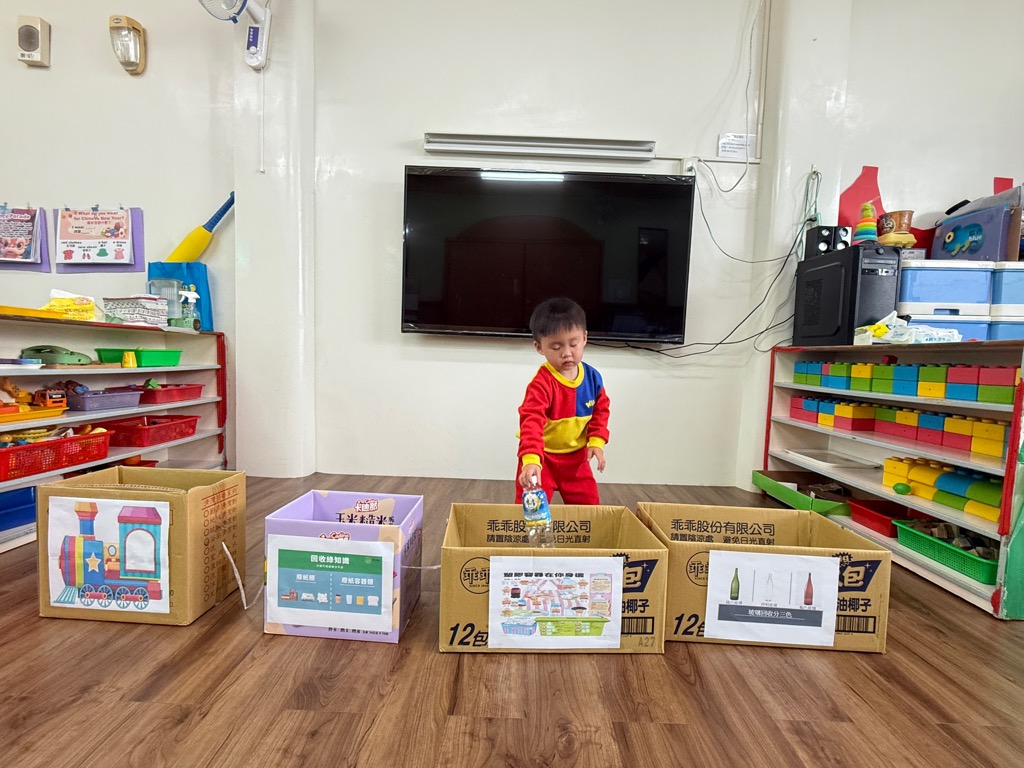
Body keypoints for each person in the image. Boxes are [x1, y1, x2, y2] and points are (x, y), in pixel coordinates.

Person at [516, 297, 610, 505]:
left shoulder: (593, 379)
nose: (567, 353)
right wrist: (531, 460)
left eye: (573, 344)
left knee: (589, 509)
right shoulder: (541, 384)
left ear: (584, 338)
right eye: (556, 347)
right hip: (542, 458)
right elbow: (531, 421)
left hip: (577, 459)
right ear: (539, 347)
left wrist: (597, 442)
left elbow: (601, 412)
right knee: (531, 512)